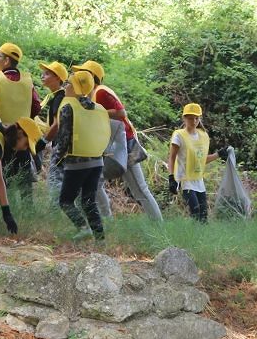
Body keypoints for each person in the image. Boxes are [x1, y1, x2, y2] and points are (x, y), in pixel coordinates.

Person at [72, 60, 163, 221]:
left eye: (83, 73)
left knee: (140, 190)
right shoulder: (92, 96)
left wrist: (95, 111)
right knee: (94, 182)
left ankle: (159, 228)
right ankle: (107, 222)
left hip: (125, 146)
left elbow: (121, 113)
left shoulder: (101, 91)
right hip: (114, 146)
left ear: (92, 76)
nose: (80, 76)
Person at [55, 70, 110, 239]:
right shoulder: (99, 108)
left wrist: (58, 159)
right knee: (88, 201)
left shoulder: (68, 108)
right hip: (97, 162)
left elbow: (63, 138)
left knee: (65, 200)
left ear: (77, 87)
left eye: (69, 83)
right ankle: (100, 238)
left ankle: (83, 228)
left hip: (76, 162)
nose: (66, 86)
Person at [0, 42, 41, 201]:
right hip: (23, 138)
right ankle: (28, 213)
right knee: (25, 182)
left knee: (5, 178)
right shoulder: (27, 81)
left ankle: (8, 210)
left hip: (2, 136)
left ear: (6, 61)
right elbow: (37, 108)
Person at [167, 103, 227, 222]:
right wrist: (171, 177)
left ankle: (201, 239)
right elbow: (172, 157)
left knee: (203, 216)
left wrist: (218, 154)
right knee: (195, 212)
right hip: (185, 180)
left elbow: (201, 160)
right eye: (190, 118)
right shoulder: (179, 135)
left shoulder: (203, 136)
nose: (194, 121)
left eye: (196, 118)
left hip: (198, 180)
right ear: (184, 118)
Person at [36, 60, 68, 194]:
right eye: (43, 73)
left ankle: (54, 212)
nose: (43, 76)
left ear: (57, 78)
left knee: (54, 182)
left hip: (61, 146)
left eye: (47, 73)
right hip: (65, 145)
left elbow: (56, 124)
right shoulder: (59, 96)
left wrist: (43, 142)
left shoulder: (59, 98)